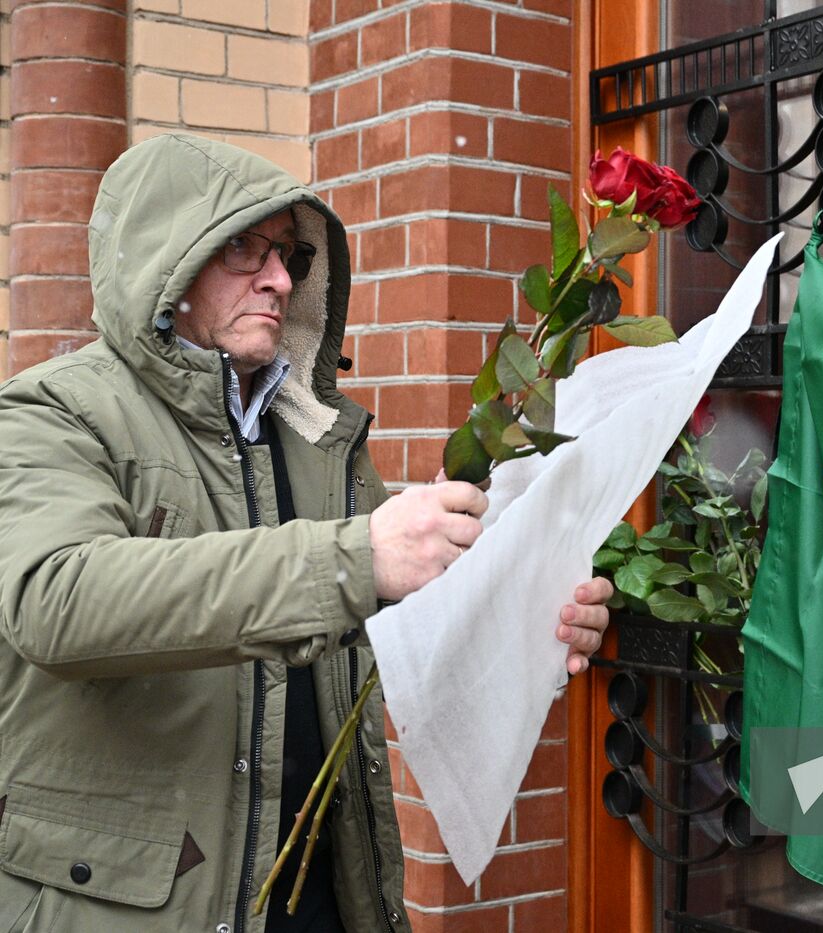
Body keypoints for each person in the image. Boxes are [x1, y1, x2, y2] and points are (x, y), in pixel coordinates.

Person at [0, 134, 612, 932]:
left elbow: (406, 618)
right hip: (129, 904)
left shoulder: (317, 440)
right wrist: (356, 556)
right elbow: (57, 601)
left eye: (288, 253)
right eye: (244, 249)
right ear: (167, 262)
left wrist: (541, 615)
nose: (281, 278)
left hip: (316, 894)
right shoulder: (51, 411)